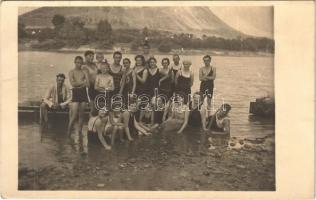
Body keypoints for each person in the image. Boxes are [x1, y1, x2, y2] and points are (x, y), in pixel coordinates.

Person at [68, 56, 90, 153]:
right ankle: (68, 133)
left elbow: (88, 84)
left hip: (83, 94)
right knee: (74, 115)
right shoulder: (71, 72)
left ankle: (80, 132)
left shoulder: (84, 71)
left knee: (81, 115)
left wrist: (80, 83)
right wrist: (82, 83)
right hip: (76, 94)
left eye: (81, 62)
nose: (79, 64)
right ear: (74, 62)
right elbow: (73, 84)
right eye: (77, 62)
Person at [82, 50, 98, 115]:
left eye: (93, 56)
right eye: (90, 56)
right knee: (93, 109)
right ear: (85, 57)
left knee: (97, 107)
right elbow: (86, 80)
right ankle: (90, 124)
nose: (92, 58)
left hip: (98, 87)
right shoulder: (84, 66)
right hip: (91, 88)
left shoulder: (94, 64)